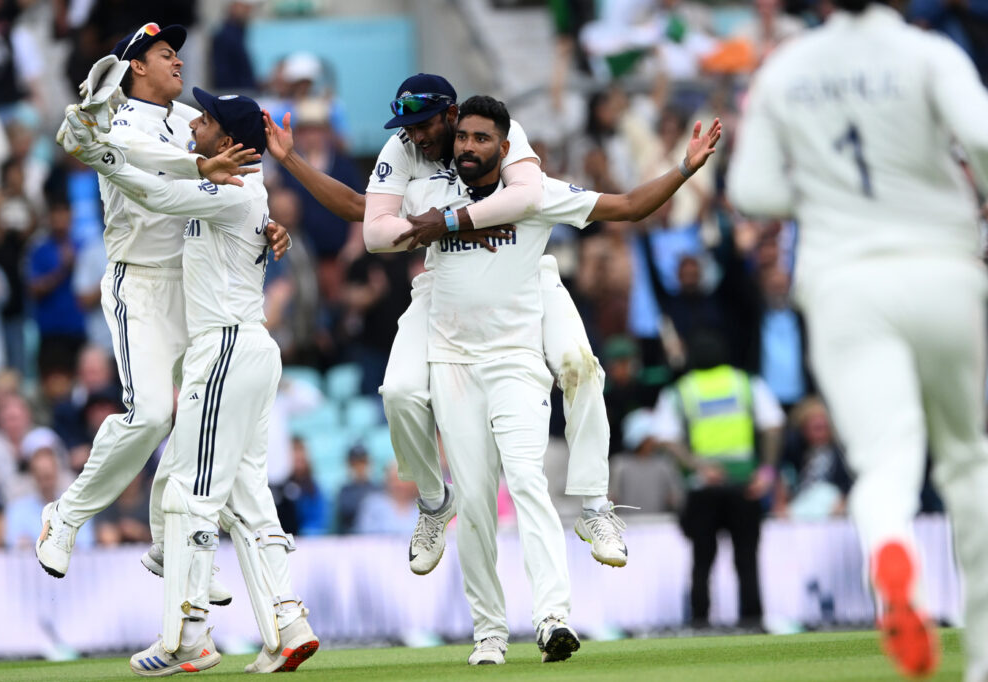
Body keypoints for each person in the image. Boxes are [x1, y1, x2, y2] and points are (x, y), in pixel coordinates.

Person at [387, 95, 720, 665]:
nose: (468, 146)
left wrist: (685, 168)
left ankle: (552, 618)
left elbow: (629, 206)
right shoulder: (428, 193)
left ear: (505, 146)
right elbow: (363, 211)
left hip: (516, 362)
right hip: (453, 363)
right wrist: (293, 166)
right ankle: (489, 633)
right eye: (462, 137)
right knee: (475, 505)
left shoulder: (536, 194)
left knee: (528, 482)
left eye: (481, 138)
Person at [263, 73, 631, 572]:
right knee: (398, 392)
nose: (415, 136)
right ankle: (436, 502)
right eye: (408, 127)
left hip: (529, 276)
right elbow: (363, 217)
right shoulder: (404, 152)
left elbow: (529, 198)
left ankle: (594, 505)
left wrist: (455, 220)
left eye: (424, 125)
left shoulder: (499, 131)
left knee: (580, 366)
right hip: (448, 285)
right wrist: (290, 160)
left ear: (453, 115)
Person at [726, 0, 988, 677]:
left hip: (843, 282)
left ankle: (893, 555)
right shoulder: (930, 53)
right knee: (966, 461)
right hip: (941, 268)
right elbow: (983, 138)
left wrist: (827, 196)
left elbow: (751, 189)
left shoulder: (786, 69)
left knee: (884, 464)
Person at [58, 87, 318, 675]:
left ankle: (187, 637)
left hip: (223, 349)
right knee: (248, 493)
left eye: (206, 118)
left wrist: (94, 151)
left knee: (188, 495)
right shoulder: (246, 190)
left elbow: (154, 192)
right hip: (249, 351)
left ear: (228, 139)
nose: (194, 122)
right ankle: (288, 622)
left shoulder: (228, 188)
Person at [35, 22, 288, 600]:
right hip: (142, 285)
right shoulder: (118, 122)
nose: (178, 62)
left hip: (196, 287)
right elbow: (137, 160)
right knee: (151, 415)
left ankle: (176, 542)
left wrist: (267, 226)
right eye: (166, 54)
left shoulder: (189, 120)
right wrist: (196, 168)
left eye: (178, 53)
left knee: (203, 418)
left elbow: (234, 182)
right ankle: (66, 516)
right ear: (136, 67)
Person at [653, 330, 784, 630]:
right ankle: (753, 622)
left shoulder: (683, 389)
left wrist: (697, 465)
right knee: (747, 559)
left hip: (704, 486)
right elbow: (773, 425)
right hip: (745, 484)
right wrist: (767, 471)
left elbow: (666, 438)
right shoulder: (745, 383)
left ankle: (700, 624)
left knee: (702, 560)